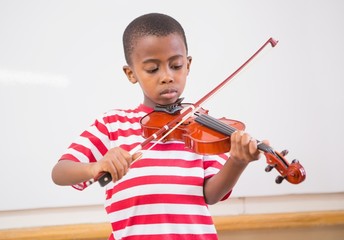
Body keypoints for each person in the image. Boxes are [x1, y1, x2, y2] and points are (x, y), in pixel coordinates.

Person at [52, 13, 265, 240]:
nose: (167, 76)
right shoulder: (112, 124)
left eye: (176, 65)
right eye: (153, 69)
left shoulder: (203, 127)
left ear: (188, 65)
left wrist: (238, 161)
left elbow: (211, 194)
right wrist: (95, 167)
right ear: (131, 73)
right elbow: (60, 172)